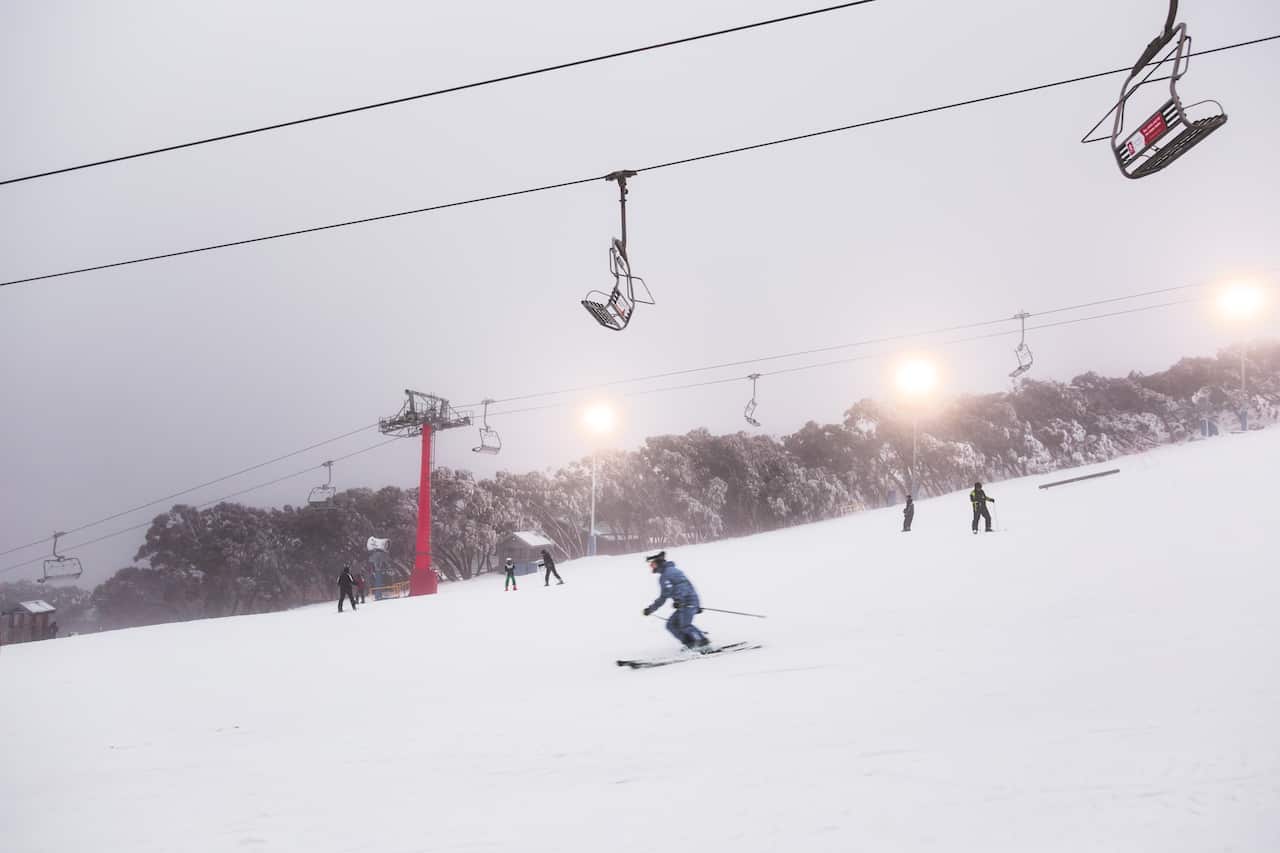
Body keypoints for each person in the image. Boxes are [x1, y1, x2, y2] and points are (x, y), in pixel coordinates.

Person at [641, 551, 709, 650]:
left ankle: (703, 643)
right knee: (671, 625)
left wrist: (680, 600)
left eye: (652, 564)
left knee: (685, 625)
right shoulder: (664, 576)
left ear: (659, 563)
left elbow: (683, 586)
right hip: (683, 604)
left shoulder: (671, 572)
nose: (651, 567)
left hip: (688, 602)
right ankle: (690, 644)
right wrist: (650, 609)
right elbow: (663, 597)